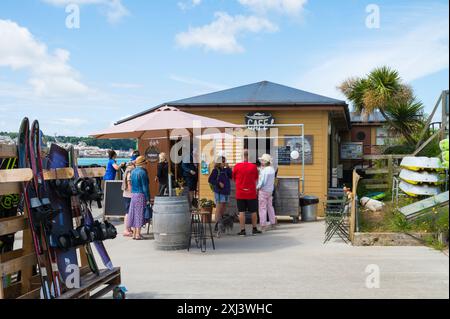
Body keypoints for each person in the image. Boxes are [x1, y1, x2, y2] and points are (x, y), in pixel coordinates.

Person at [232, 149, 262, 236]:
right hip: (251, 192)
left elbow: (233, 178)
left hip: (240, 193)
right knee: (253, 211)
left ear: (242, 156)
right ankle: (254, 229)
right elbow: (256, 178)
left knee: (241, 212)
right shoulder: (253, 167)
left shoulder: (237, 166)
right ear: (249, 157)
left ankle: (242, 230)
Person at [127, 156, 150, 240]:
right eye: (145, 164)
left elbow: (131, 183)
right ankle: (138, 234)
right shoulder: (143, 172)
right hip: (141, 195)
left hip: (134, 194)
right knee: (139, 214)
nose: (146, 165)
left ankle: (134, 234)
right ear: (143, 164)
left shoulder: (133, 171)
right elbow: (145, 187)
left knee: (133, 213)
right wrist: (148, 198)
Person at [208, 156, 232, 236]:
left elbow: (231, 176)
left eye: (224, 161)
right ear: (219, 162)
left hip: (226, 192)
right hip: (219, 192)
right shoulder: (215, 170)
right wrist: (218, 183)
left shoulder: (225, 170)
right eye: (223, 161)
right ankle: (216, 226)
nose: (224, 163)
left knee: (223, 209)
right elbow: (210, 180)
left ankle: (220, 225)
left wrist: (228, 168)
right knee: (218, 209)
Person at [256, 154, 277, 231]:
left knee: (262, 208)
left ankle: (263, 225)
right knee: (270, 207)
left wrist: (257, 187)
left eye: (262, 160)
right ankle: (273, 223)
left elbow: (262, 182)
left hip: (263, 191)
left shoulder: (264, 171)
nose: (261, 162)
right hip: (270, 191)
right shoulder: (272, 169)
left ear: (265, 162)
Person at [121, 162, 135, 237]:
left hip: (126, 194)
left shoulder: (127, 171)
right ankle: (126, 230)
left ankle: (128, 228)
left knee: (128, 212)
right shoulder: (130, 172)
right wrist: (132, 193)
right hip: (129, 195)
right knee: (128, 213)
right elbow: (129, 183)